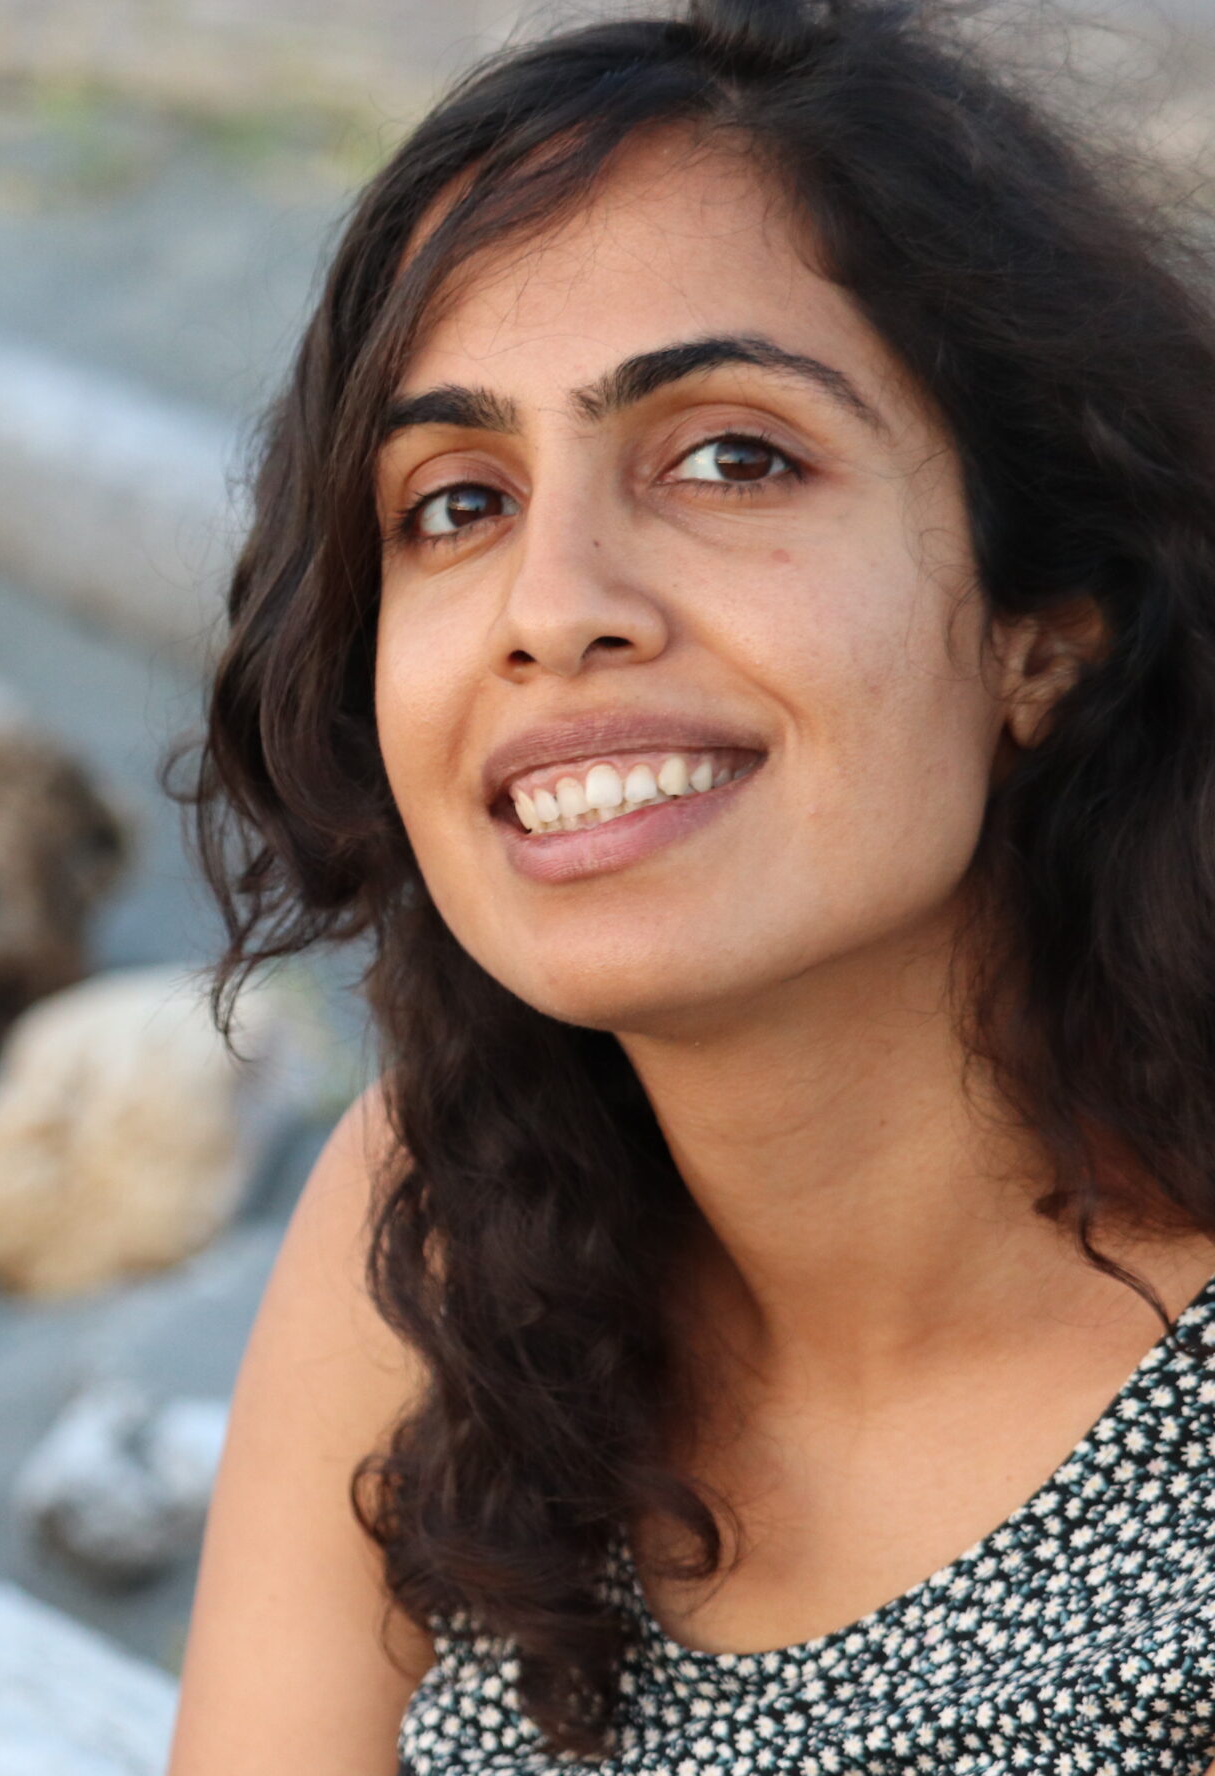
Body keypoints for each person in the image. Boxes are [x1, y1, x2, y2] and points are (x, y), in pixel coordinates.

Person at [164, 0, 1215, 1768]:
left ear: (1044, 631)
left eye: (734, 458)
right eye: (456, 501)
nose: (554, 603)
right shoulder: (445, 1222)